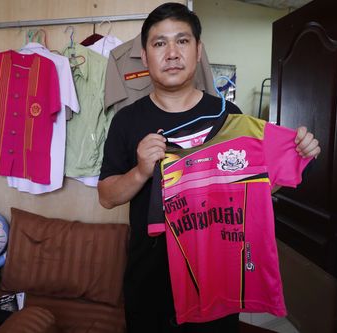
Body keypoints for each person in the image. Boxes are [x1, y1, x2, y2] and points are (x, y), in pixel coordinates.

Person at [97, 3, 320, 333]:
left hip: (216, 279)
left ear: (198, 50)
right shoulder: (127, 121)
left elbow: (250, 186)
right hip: (150, 281)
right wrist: (141, 171)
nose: (172, 53)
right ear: (144, 57)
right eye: (160, 44)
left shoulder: (228, 116)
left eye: (182, 41)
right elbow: (106, 197)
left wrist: (298, 155)